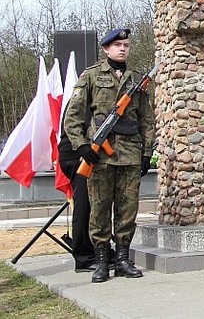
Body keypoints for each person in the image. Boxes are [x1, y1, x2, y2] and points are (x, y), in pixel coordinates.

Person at [63, 28, 155, 283]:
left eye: (126, 45)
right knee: (100, 210)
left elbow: (147, 120)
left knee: (128, 211)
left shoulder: (136, 81)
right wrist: (82, 146)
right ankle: (102, 261)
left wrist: (146, 152)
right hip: (100, 158)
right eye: (117, 45)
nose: (123, 49)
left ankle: (124, 259)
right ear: (106, 49)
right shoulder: (91, 77)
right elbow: (73, 117)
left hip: (129, 156)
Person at [57, 126, 96, 272]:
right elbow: (72, 124)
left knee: (90, 205)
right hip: (78, 154)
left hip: (82, 151)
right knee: (84, 205)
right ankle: (84, 257)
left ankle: (94, 252)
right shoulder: (81, 102)